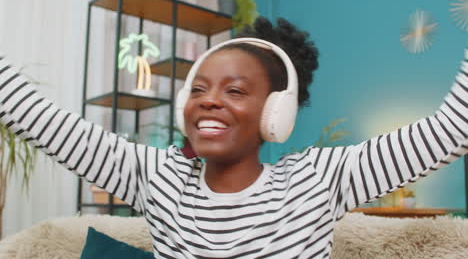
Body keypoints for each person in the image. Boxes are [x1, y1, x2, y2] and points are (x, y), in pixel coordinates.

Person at [0, 16, 466, 258]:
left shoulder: (317, 179)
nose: (208, 100)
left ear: (275, 113)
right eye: (198, 89)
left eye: (235, 91)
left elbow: (452, 128)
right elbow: (35, 117)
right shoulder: (157, 177)